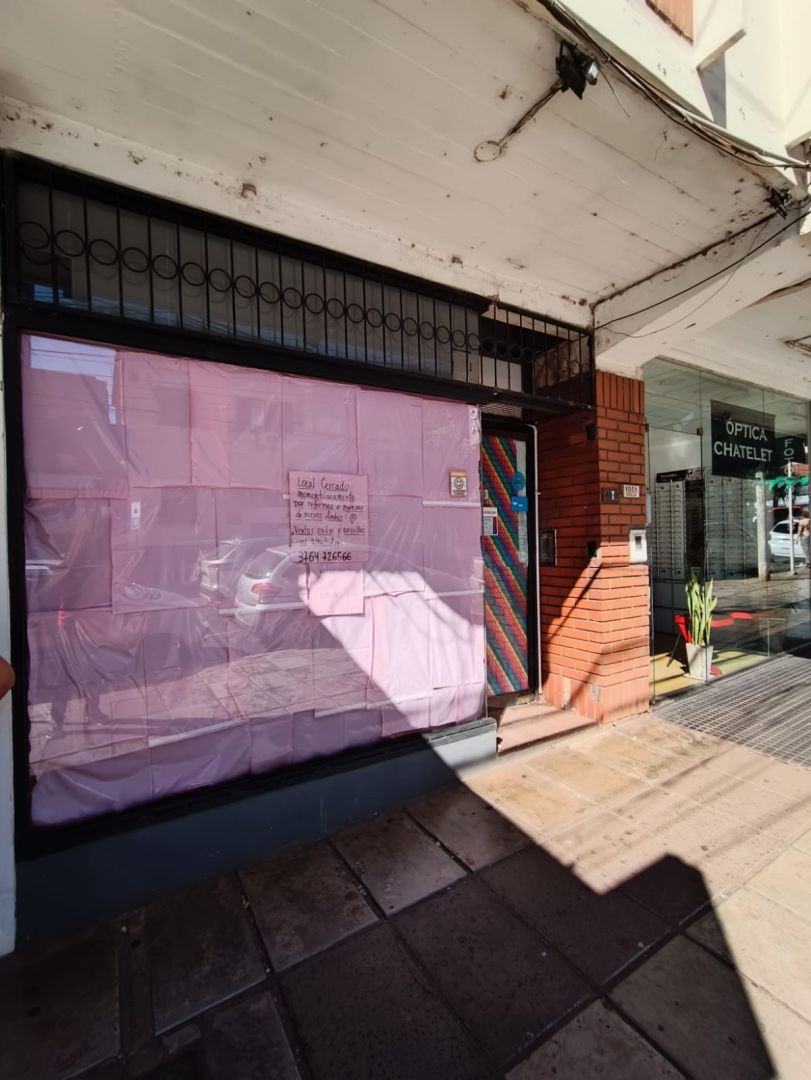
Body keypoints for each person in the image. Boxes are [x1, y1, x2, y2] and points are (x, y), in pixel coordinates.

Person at [796, 507, 810, 572]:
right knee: (809, 549)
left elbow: (800, 530)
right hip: (809, 535)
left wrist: (797, 538)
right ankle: (808, 562)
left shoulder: (802, 521)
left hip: (804, 536)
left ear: (802, 515)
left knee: (805, 549)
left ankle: (808, 562)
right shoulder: (809, 520)